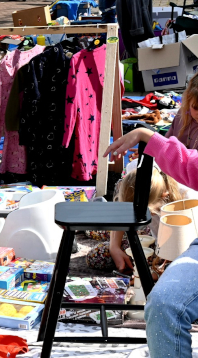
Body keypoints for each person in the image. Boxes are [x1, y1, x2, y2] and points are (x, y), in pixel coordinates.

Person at [104, 127, 198, 358]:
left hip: (174, 239)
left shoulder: (184, 200)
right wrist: (146, 135)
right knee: (162, 305)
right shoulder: (133, 177)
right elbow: (189, 164)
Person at [85, 165, 187, 272]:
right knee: (94, 228)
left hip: (165, 245)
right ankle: (94, 228)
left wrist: (157, 273)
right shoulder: (135, 168)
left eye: (148, 212)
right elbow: (122, 213)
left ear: (164, 195)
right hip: (146, 229)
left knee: (97, 257)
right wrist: (114, 246)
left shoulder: (187, 199)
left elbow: (183, 251)